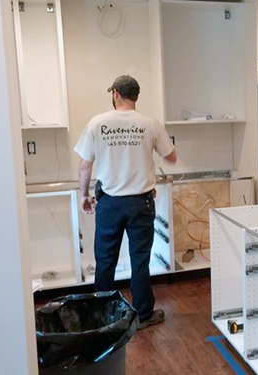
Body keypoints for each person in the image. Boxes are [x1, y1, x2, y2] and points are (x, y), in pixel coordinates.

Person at [74, 75, 177, 330]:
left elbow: (85, 164)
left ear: (116, 94)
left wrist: (84, 194)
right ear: (136, 96)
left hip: (109, 203)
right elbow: (172, 156)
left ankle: (102, 318)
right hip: (140, 203)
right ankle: (143, 315)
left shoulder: (98, 123)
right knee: (139, 260)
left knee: (105, 261)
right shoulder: (150, 124)